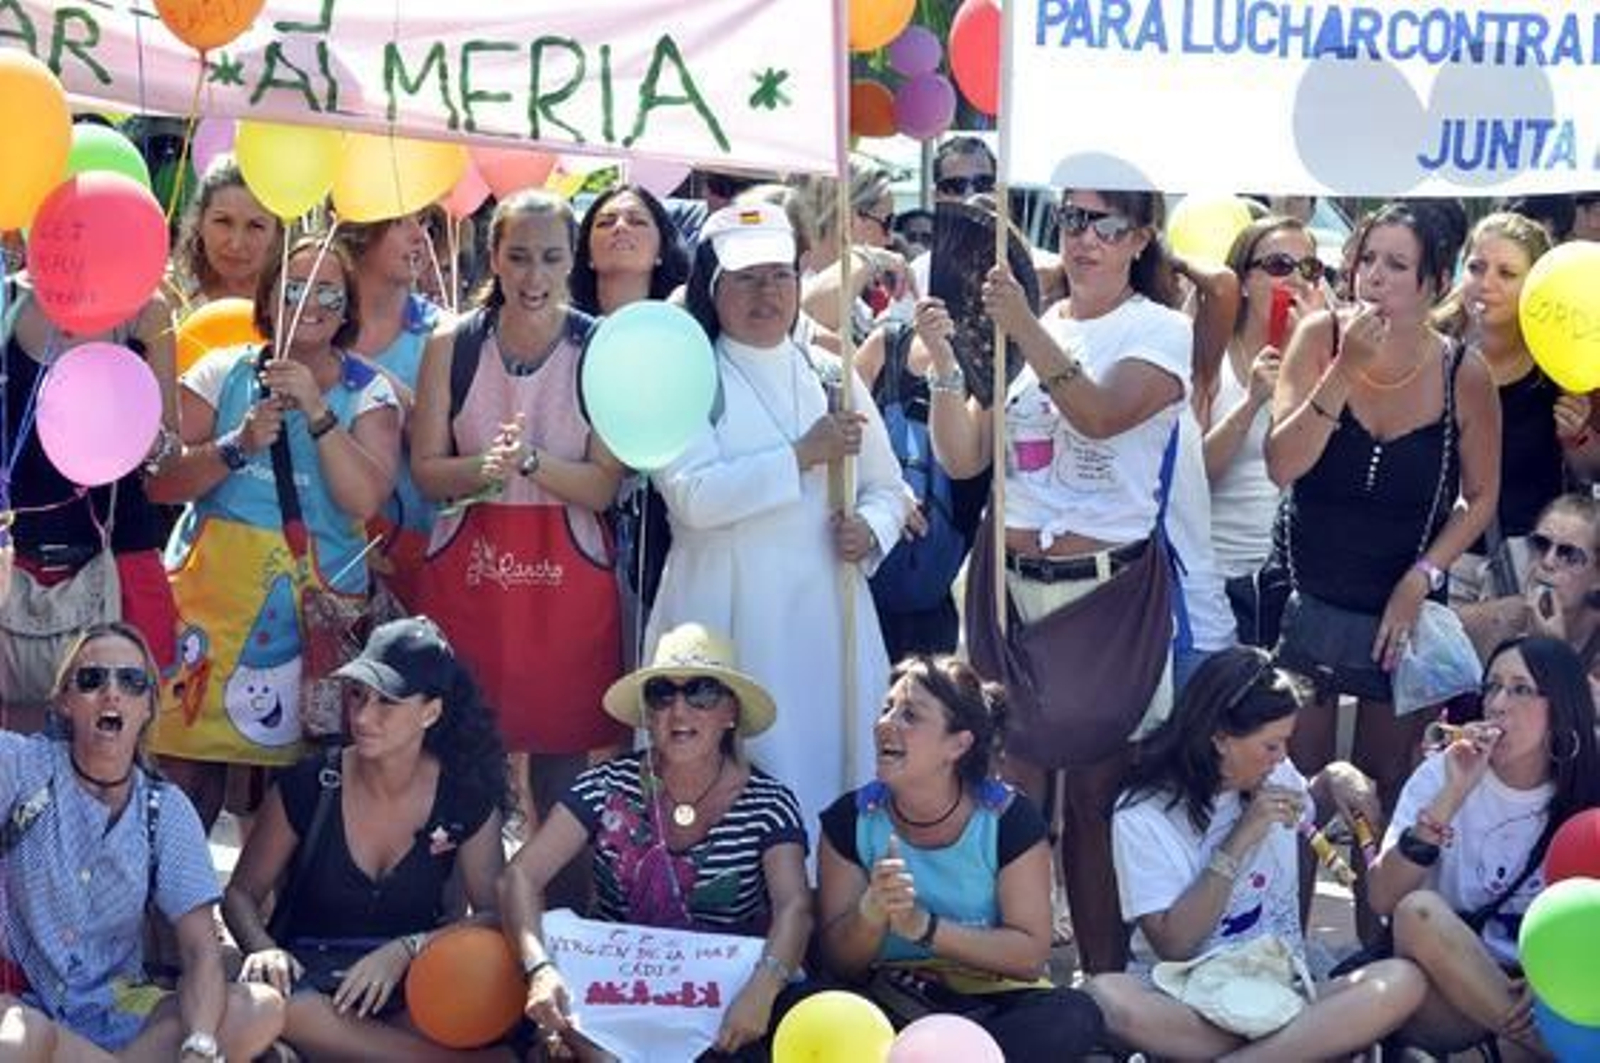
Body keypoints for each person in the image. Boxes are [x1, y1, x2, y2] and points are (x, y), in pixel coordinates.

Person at [928, 188, 1192, 974]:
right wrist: (946, 362)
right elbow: (965, 456)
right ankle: (1008, 981)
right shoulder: (1031, 315)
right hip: (1007, 588)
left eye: (1107, 223)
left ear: (1141, 237)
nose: (1085, 239)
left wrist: (1025, 328)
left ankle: (1106, 995)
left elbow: (1103, 414)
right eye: (1073, 219)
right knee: (1006, 803)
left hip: (1102, 599)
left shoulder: (1160, 328)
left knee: (1094, 807)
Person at [644, 202, 911, 832]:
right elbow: (692, 497)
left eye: (780, 275)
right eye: (746, 277)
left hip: (823, 615)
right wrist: (799, 457)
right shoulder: (685, 377)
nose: (766, 292)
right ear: (713, 286)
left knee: (826, 773)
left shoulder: (828, 373)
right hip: (723, 614)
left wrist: (870, 529)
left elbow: (889, 489)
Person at [410, 191, 630, 900]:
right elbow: (425, 472)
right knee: (456, 752)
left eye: (552, 257)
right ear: (494, 257)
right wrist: (484, 469)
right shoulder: (453, 342)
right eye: (519, 256)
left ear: (574, 262)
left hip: (568, 580)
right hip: (472, 574)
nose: (534, 275)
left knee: (562, 766)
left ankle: (558, 929)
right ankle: (444, 924)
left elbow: (602, 485)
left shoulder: (599, 348)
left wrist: (532, 463)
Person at [148, 235, 401, 830]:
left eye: (327, 291)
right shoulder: (221, 373)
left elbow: (364, 497)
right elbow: (160, 484)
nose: (308, 302)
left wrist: (317, 412)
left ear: (348, 307)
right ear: (268, 297)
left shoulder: (371, 391)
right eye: (292, 287)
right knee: (185, 781)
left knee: (299, 792)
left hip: (315, 625)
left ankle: (269, 921)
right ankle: (175, 921)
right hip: (209, 620)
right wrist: (236, 447)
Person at [1266, 200, 1500, 816]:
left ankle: (1382, 917)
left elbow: (1481, 498)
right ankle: (1287, 916)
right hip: (1307, 594)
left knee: (1387, 789)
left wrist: (1422, 578)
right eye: (1367, 259)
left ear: (1436, 283)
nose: (1374, 277)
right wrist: (1343, 373)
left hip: (1401, 609)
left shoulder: (1463, 372)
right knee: (1298, 792)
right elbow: (1280, 464)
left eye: (1397, 265)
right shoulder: (1321, 338)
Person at [1086, 647, 1426, 1061]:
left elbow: (1305, 808)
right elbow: (1174, 944)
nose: (1282, 757)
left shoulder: (1274, 773)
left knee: (1402, 980)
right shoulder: (1142, 815)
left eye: (1285, 743)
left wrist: (1334, 779)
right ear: (1219, 738)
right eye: (1271, 745)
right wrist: (1241, 837)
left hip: (1285, 988)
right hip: (1191, 998)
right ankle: (1296, 1050)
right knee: (1105, 996)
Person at [500, 623, 811, 1061]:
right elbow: (520, 875)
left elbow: (795, 906)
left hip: (721, 1009)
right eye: (662, 694)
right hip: (607, 998)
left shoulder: (769, 803)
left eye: (702, 693)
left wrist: (764, 987)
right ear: (648, 714)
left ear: (731, 713)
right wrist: (540, 968)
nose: (678, 711)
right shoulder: (605, 785)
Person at [223, 616, 510, 1060]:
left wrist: (407, 949)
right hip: (309, 988)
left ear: (430, 712)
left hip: (412, 989)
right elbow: (240, 894)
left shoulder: (464, 795)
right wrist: (263, 949)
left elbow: (498, 914)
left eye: (387, 702)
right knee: (266, 1006)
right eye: (358, 694)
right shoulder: (311, 783)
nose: (362, 716)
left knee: (490, 976)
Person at [0, 622, 284, 1061]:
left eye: (130, 681)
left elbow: (200, 950)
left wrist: (201, 1044)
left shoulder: (164, 810)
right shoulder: (22, 767)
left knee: (260, 1008)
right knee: (20, 1037)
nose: (112, 693)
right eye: (92, 679)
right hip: (20, 1000)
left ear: (150, 704)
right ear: (65, 702)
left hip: (115, 1015)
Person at [816, 655, 1106, 1058]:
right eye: (887, 709)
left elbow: (1028, 957)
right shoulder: (851, 819)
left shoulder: (1009, 821)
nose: (886, 723)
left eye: (910, 715)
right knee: (806, 1001)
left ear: (958, 743)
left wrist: (923, 927)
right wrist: (871, 910)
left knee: (1072, 1015)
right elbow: (839, 963)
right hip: (886, 1000)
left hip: (988, 1003)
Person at [1369, 635, 1600, 1058]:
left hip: (1550, 989)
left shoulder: (1590, 780)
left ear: (1561, 706)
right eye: (1492, 686)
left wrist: (1555, 970)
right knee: (1418, 911)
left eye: (1520, 689)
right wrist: (1452, 796)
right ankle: (1544, 1049)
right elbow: (1383, 898)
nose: (1497, 704)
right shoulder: (1444, 772)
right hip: (1447, 981)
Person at [2, 281, 181, 732]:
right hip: (12, 561)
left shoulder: (147, 312)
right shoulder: (5, 300)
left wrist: (144, 438)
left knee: (116, 749)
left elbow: (170, 456)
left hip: (119, 562)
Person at [1437, 212, 1598, 603]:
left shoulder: (1562, 361)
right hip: (1435, 563)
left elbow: (1591, 472)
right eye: (1476, 267)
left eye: (1506, 273)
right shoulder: (1434, 351)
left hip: (1526, 569)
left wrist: (1575, 436)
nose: (1485, 283)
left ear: (1538, 287)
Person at [336, 210, 449, 613]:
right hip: (321, 555)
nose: (421, 236)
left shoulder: (446, 333)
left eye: (425, 222)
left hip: (416, 557)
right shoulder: (313, 322)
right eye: (402, 222)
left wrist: (365, 373)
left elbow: (451, 453)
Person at [1203, 217, 1323, 598]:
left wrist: (1318, 361)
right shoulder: (1211, 355)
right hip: (1216, 575)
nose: (1295, 279)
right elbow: (1194, 473)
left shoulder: (1333, 364)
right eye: (1278, 266)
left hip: (1293, 580)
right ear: (1242, 281)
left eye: (1308, 268)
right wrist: (1251, 402)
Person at [1460, 493, 1600, 687]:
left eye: (1569, 554)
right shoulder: (1481, 625)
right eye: (1541, 544)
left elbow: (1581, 714)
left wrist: (1556, 653)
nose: (1547, 562)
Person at [169, 156, 282, 307]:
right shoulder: (170, 293)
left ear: (277, 233)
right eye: (223, 221)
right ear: (200, 222)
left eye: (255, 226)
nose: (236, 244)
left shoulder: (298, 301)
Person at [570, 183, 692, 317]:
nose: (620, 226)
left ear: (661, 250)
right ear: (588, 253)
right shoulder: (560, 327)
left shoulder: (682, 321)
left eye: (637, 221)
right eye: (605, 223)